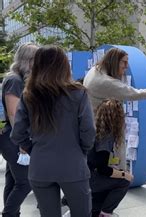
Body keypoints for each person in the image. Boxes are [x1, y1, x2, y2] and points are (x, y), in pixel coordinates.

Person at [11, 45, 96, 216]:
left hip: (40, 166)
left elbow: (17, 133)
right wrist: (81, 150)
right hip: (73, 165)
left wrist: (34, 149)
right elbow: (88, 131)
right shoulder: (78, 94)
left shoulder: (29, 95)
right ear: (64, 65)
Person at [83, 47, 146, 170]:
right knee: (113, 164)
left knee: (100, 163)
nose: (126, 66)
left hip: (95, 126)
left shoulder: (95, 70)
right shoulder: (105, 82)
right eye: (124, 62)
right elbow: (135, 94)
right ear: (114, 61)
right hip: (105, 129)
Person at [0, 42, 38, 217]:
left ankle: (12, 214)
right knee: (24, 182)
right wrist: (22, 142)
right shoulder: (14, 80)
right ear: (28, 60)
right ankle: (9, 214)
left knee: (13, 180)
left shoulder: (14, 79)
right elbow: (13, 113)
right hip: (13, 138)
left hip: (11, 137)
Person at [88, 99, 132, 217]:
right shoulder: (106, 137)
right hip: (90, 180)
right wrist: (124, 175)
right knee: (124, 181)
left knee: (116, 174)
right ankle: (105, 213)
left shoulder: (94, 130)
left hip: (82, 176)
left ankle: (96, 209)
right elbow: (103, 169)